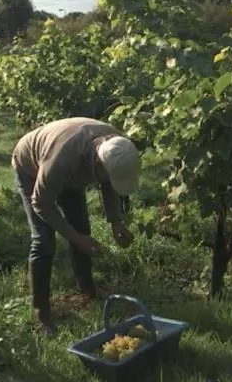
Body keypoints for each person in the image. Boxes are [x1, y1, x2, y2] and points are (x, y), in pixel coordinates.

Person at [11, 117, 140, 336]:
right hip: (31, 168)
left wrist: (115, 221)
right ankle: (40, 311)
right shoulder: (62, 161)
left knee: (81, 226)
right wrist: (77, 239)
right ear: (98, 165)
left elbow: (109, 184)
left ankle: (86, 287)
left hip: (72, 171)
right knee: (44, 241)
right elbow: (41, 203)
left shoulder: (117, 147)